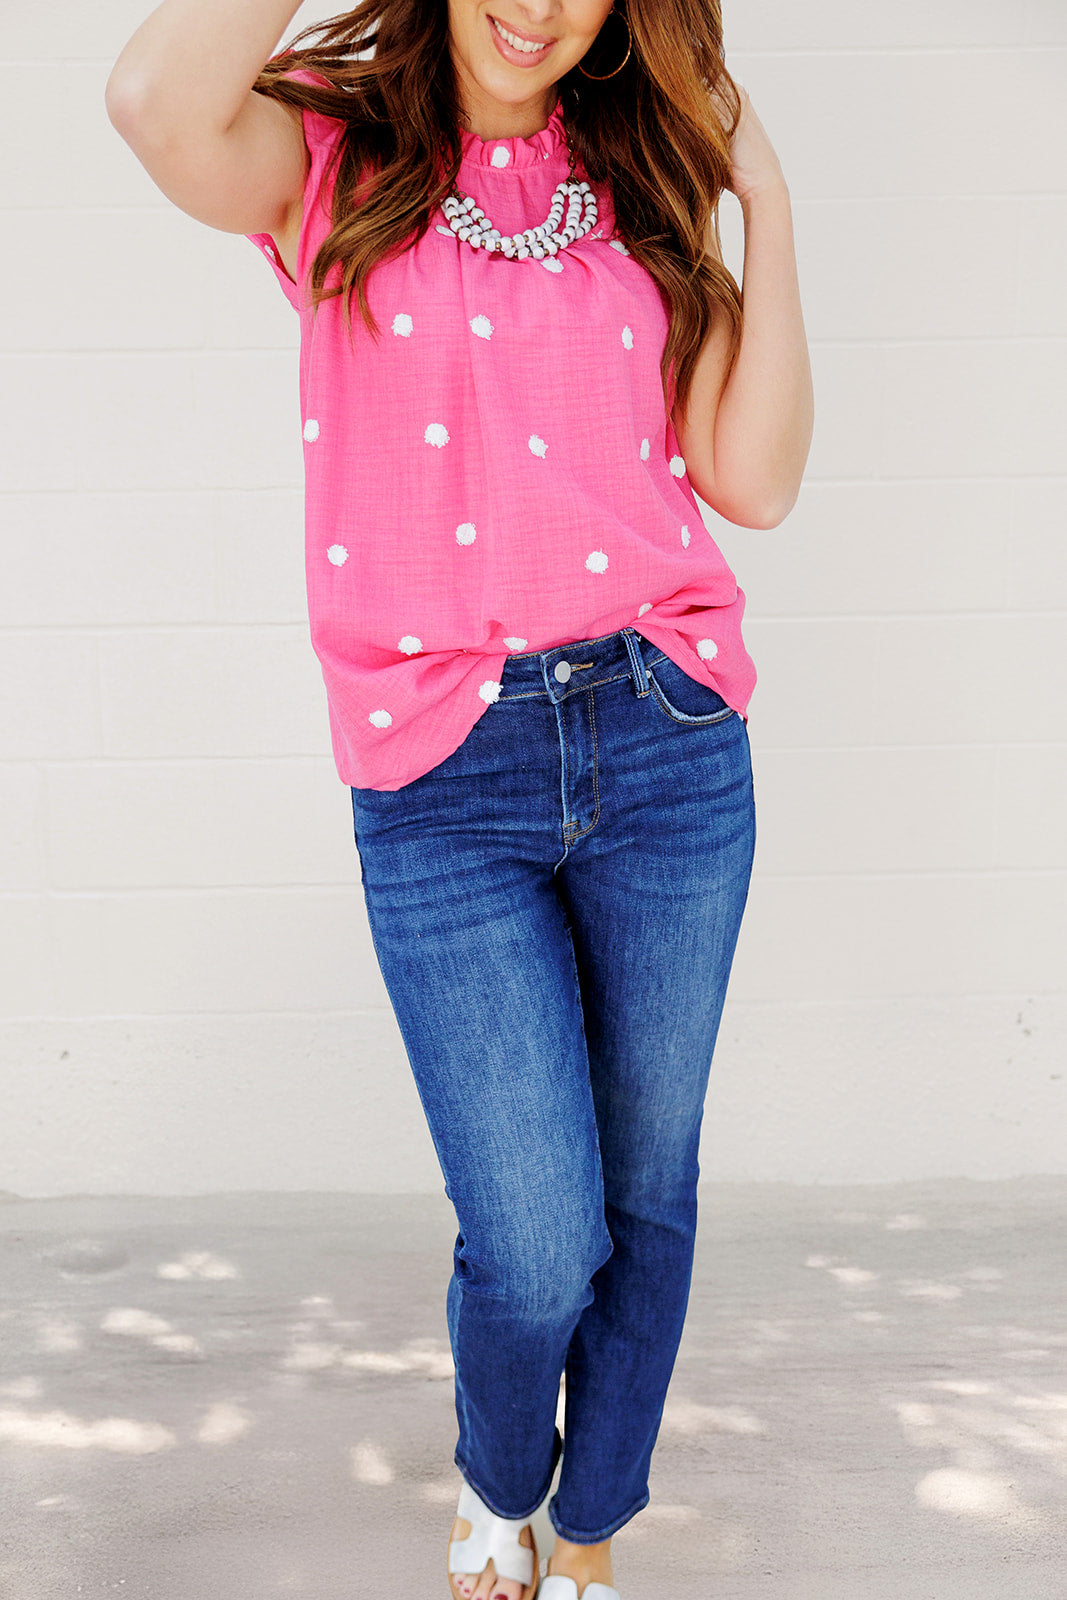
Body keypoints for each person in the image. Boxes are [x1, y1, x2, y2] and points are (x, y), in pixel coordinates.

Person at [106, 0, 812, 1594]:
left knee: (649, 1194)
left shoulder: (636, 183)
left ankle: (590, 1532)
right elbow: (151, 98)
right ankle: (501, 1483)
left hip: (666, 738)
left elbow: (755, 481)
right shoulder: (335, 163)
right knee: (538, 1236)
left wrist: (764, 199)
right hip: (439, 766)